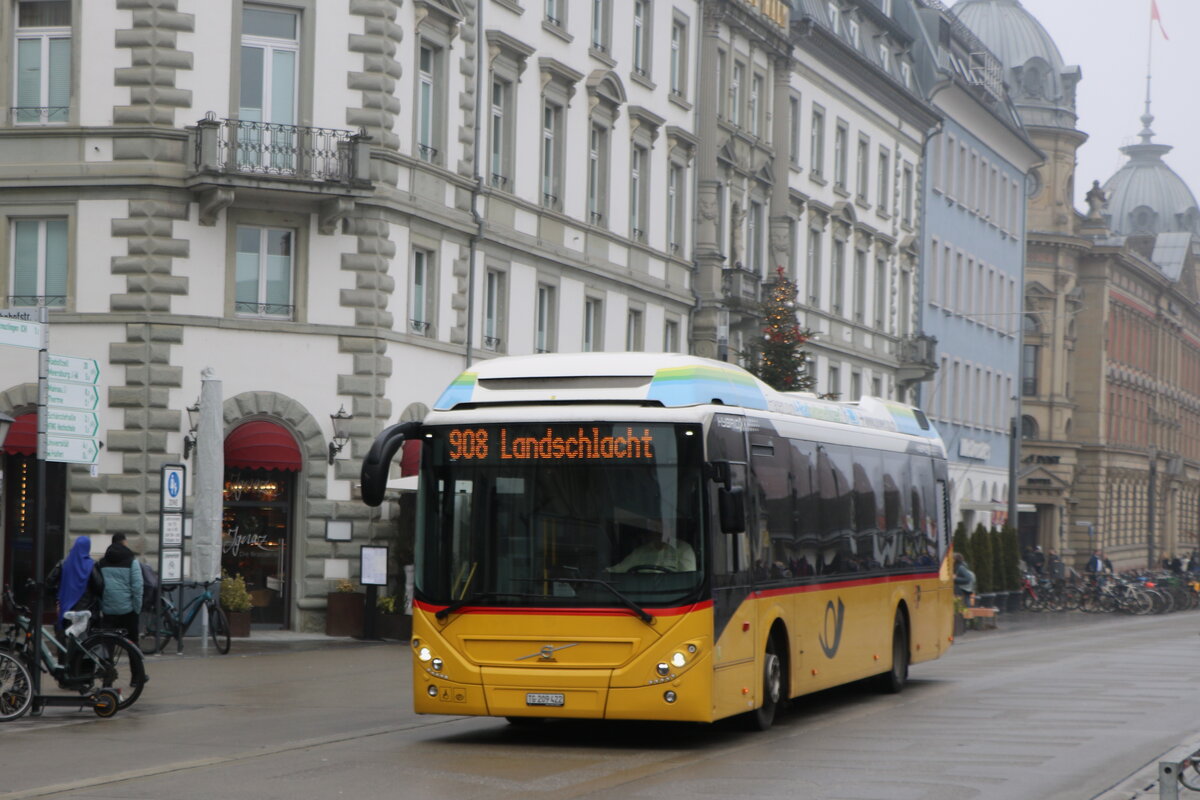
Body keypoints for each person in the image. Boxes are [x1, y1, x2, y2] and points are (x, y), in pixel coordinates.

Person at [46, 536, 105, 631]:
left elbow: (49, 583)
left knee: (64, 639)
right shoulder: (92, 565)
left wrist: (58, 597)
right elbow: (100, 586)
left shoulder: (63, 563)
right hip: (86, 610)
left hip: (66, 609)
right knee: (84, 641)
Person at [98, 533, 144, 641]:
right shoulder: (132, 562)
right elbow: (137, 587)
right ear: (125, 542)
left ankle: (107, 658)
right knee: (132, 645)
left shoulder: (101, 562)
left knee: (108, 644)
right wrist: (137, 608)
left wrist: (102, 606)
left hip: (108, 609)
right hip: (128, 610)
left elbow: (98, 585)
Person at [610, 528, 696, 572]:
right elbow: (619, 569)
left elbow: (688, 578)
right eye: (654, 527)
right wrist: (603, 574)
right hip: (641, 596)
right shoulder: (641, 551)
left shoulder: (684, 549)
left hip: (674, 599)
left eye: (662, 526)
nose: (658, 531)